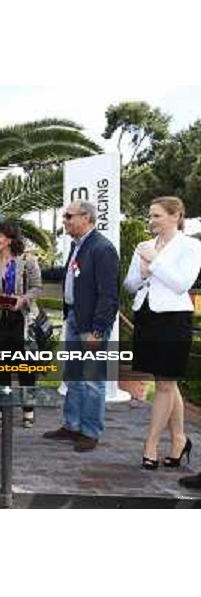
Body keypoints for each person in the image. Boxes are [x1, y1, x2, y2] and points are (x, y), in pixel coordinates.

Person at [124, 196, 201, 470]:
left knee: (165, 384)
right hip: (146, 316)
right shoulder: (144, 246)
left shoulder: (191, 246)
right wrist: (144, 271)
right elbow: (131, 284)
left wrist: (154, 262)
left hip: (173, 319)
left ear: (175, 215)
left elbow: (181, 284)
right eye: (150, 215)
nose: (151, 220)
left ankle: (151, 444)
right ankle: (179, 439)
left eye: (156, 215)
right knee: (166, 382)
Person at [43, 200, 119, 452]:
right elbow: (69, 276)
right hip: (75, 318)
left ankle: (90, 431)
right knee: (73, 375)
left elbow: (109, 295)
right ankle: (71, 426)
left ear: (86, 218)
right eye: (63, 216)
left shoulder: (102, 248)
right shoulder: (79, 247)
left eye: (68, 216)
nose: (64, 220)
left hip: (90, 324)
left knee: (92, 379)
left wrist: (97, 330)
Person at [0, 221, 42, 428]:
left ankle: (28, 408)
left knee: (26, 367)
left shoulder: (28, 262)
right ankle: (3, 407)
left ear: (10, 238)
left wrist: (22, 299)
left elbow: (37, 288)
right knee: (1, 366)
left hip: (22, 320)